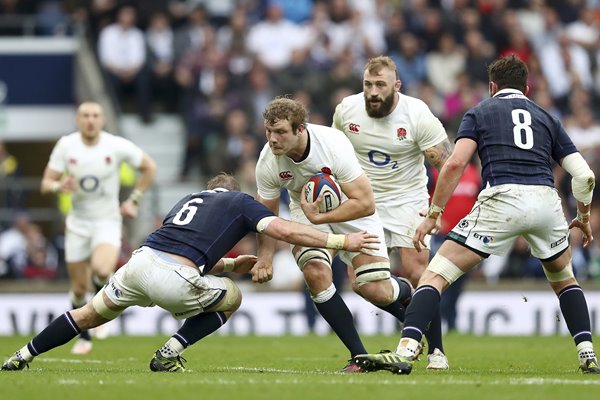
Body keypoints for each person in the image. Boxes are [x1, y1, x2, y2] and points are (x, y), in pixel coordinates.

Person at [354, 55, 600, 375]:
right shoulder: (547, 117)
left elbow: (455, 163)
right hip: (546, 202)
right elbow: (584, 176)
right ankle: (587, 354)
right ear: (526, 88)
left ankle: (408, 349)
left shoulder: (480, 112)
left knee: (434, 275)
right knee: (565, 280)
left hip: (503, 199)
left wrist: (434, 213)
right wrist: (581, 215)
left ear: (491, 87)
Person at [1, 173, 380, 372]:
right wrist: (338, 244)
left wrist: (229, 263)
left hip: (138, 264)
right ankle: (169, 352)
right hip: (175, 279)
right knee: (233, 296)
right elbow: (282, 229)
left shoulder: (186, 201)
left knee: (87, 314)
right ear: (232, 191)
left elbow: (183, 248)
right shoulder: (240, 201)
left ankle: (22, 354)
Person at [254, 97, 414, 372]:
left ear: (300, 129)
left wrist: (322, 217)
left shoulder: (332, 144)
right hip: (306, 211)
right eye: (269, 132)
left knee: (374, 290)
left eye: (280, 132)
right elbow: (265, 218)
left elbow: (366, 202)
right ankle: (359, 357)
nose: (273, 139)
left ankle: (408, 294)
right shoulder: (268, 162)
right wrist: (265, 258)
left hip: (351, 209)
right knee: (315, 273)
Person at [332, 55, 451, 369]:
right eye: (368, 84)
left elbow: (447, 164)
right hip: (363, 202)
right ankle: (414, 320)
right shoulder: (347, 110)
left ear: (396, 85)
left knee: (418, 272)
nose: (373, 91)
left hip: (408, 200)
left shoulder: (417, 114)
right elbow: (332, 153)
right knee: (361, 283)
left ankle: (437, 351)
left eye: (380, 84)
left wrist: (435, 212)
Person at [39, 101, 157, 355]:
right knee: (79, 288)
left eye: (95, 115)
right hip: (77, 223)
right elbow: (46, 183)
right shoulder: (66, 145)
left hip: (107, 219)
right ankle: (85, 337)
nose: (90, 120)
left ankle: (101, 308)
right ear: (78, 120)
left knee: (103, 269)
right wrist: (60, 186)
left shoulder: (115, 145)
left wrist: (134, 200)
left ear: (102, 120)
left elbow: (149, 167)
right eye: (85, 116)